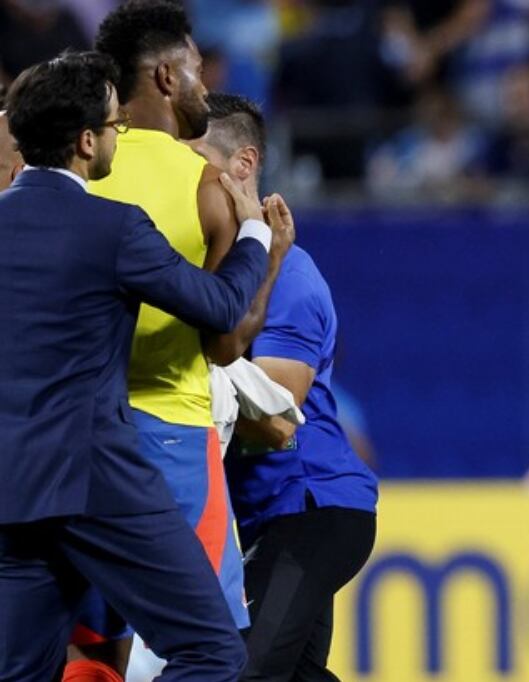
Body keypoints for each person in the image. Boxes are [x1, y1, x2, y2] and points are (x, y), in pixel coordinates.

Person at [0, 50, 290, 682]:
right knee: (212, 651)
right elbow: (217, 306)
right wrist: (252, 238)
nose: (115, 139)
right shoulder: (112, 227)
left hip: (12, 487)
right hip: (96, 477)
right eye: (111, 127)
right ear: (84, 143)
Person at [69, 1, 283, 675]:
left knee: (87, 639)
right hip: (172, 439)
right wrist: (268, 257)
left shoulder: (75, 169)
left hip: (72, 437)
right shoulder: (206, 184)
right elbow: (223, 346)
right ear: (164, 77)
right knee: (205, 642)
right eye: (194, 68)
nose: (202, 81)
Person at [196, 92, 380, 681]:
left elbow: (278, 416)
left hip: (312, 505)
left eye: (193, 160)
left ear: (242, 167)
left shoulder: (292, 277)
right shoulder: (202, 269)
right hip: (262, 514)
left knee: (244, 671)